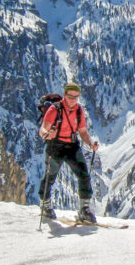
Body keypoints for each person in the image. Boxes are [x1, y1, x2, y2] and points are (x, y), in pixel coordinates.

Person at [38, 82, 99, 223]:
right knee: (50, 176)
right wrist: (47, 135)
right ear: (65, 95)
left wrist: (90, 144)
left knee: (83, 174)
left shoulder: (78, 110)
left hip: (72, 145)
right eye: (71, 96)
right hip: (55, 145)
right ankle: (45, 206)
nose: (73, 100)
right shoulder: (54, 110)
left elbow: (82, 131)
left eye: (76, 97)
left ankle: (84, 209)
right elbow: (43, 129)